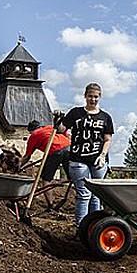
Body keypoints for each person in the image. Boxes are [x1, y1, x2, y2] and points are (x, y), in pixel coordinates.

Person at [57, 83, 114, 231]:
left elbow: (107, 140)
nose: (93, 99)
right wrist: (57, 118)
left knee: (97, 195)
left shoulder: (105, 117)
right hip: (78, 159)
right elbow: (61, 129)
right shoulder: (76, 113)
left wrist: (103, 155)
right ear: (85, 96)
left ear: (100, 97)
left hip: (98, 161)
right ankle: (81, 228)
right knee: (83, 194)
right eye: (90, 96)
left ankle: (96, 228)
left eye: (96, 97)